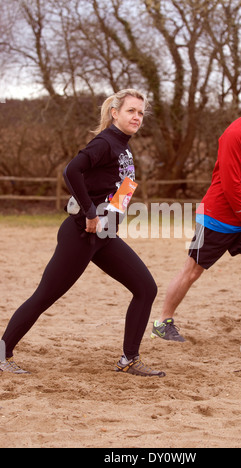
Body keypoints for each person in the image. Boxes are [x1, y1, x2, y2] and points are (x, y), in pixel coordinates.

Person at [0, 89, 165, 377]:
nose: (137, 116)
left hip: (104, 237)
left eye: (140, 112)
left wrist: (111, 222)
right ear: (115, 113)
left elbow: (122, 189)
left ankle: (129, 358)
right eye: (131, 111)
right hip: (81, 233)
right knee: (45, 295)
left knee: (145, 288)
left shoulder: (124, 147)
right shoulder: (104, 143)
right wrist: (89, 213)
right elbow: (71, 171)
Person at [151, 70, 241, 354]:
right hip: (218, 218)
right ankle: (162, 322)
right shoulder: (234, 134)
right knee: (192, 271)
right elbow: (231, 186)